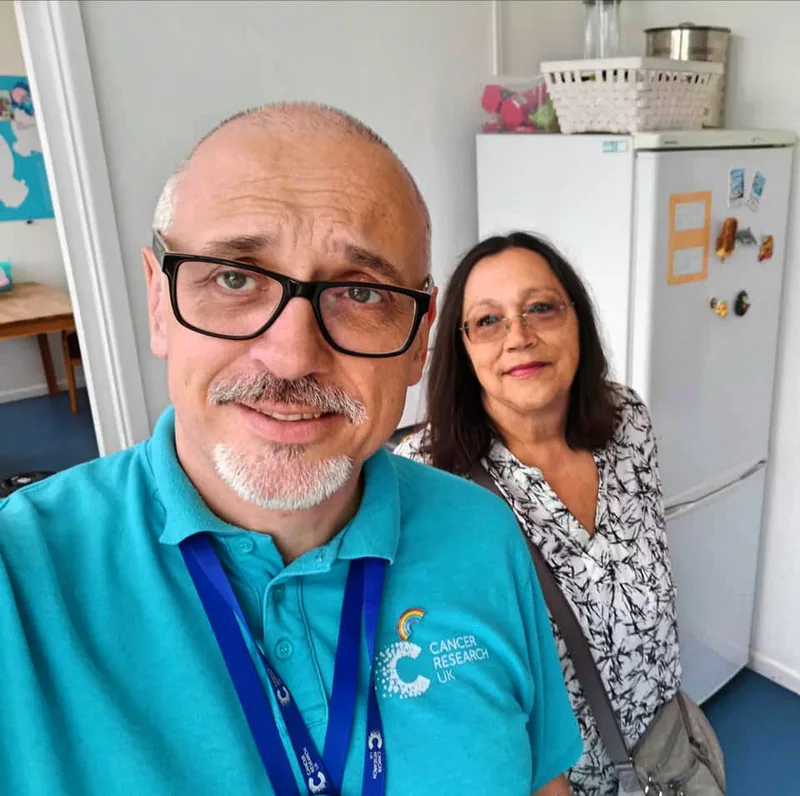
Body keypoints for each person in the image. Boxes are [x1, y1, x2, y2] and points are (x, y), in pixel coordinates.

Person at [0, 105, 581, 796]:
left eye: (360, 292)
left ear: (420, 339)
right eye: (235, 278)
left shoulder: (482, 532)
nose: (292, 356)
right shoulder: (23, 576)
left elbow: (542, 779)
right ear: (159, 300)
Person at [394, 232, 681, 796]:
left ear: (577, 321)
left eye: (541, 308)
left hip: (663, 754)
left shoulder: (627, 421)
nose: (519, 337)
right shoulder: (424, 479)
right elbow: (446, 688)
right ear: (462, 348)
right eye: (488, 321)